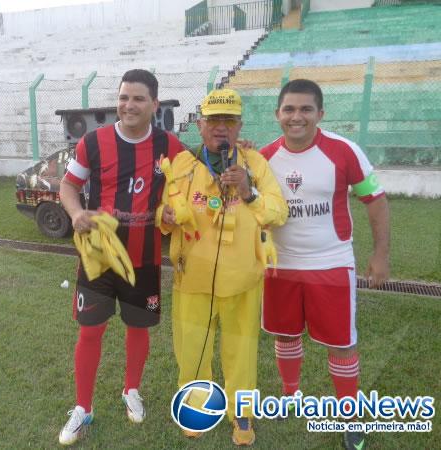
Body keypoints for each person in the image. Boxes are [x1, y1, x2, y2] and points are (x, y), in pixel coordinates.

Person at [260, 79, 390, 450]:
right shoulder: (265, 157)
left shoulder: (344, 151)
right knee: (285, 334)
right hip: (279, 266)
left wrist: (380, 255)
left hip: (331, 265)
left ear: (320, 113)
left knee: (341, 343)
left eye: (305, 109)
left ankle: (348, 416)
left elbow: (376, 202)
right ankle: (289, 396)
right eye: (289, 109)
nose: (296, 117)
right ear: (277, 114)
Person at [57, 69, 183, 446]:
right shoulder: (93, 142)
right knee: (91, 329)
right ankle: (83, 407)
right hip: (99, 256)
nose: (129, 105)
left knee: (138, 327)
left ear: (154, 105)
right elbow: (68, 186)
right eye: (124, 97)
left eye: (138, 98)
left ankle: (131, 390)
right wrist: (76, 212)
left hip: (144, 259)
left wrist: (173, 209)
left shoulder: (170, 146)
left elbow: (188, 186)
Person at [158, 88, 288, 446]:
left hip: (243, 279)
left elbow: (278, 212)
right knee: (192, 352)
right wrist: (165, 216)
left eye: (229, 121)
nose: (221, 128)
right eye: (213, 120)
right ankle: (197, 409)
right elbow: (165, 215)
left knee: (241, 352)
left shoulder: (255, 164)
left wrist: (249, 191)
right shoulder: (183, 165)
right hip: (192, 279)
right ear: (200, 126)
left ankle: (241, 414)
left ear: (239, 125)